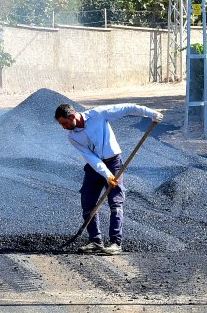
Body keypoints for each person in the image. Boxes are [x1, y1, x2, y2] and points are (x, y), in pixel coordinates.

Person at [54, 101, 163, 256]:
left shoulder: (97, 114)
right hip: (95, 167)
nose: (63, 127)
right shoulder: (72, 137)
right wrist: (106, 175)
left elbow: (126, 108)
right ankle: (96, 241)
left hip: (113, 162)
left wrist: (151, 113)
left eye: (64, 123)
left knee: (115, 202)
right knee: (87, 202)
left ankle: (115, 243)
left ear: (72, 116)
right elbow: (90, 157)